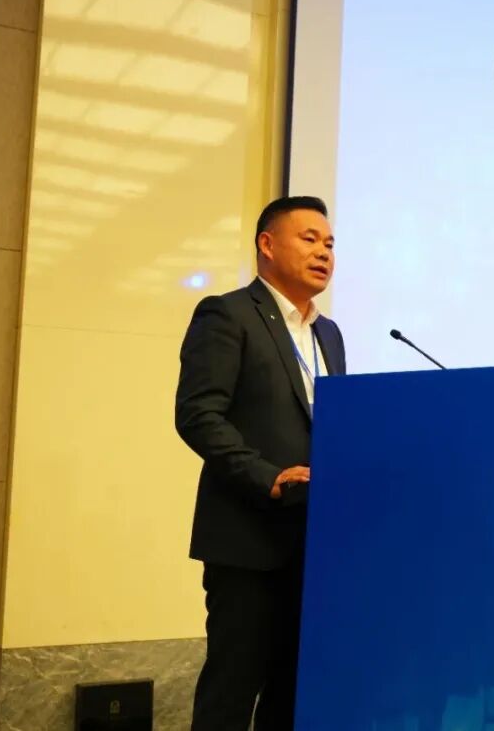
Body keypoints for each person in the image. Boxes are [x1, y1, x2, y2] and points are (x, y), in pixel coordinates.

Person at [175, 195, 346, 730]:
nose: (324, 252)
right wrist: (266, 477)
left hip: (315, 542)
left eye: (330, 243)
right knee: (232, 690)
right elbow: (198, 414)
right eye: (309, 239)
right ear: (267, 245)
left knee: (292, 692)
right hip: (248, 539)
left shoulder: (328, 333)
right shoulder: (227, 314)